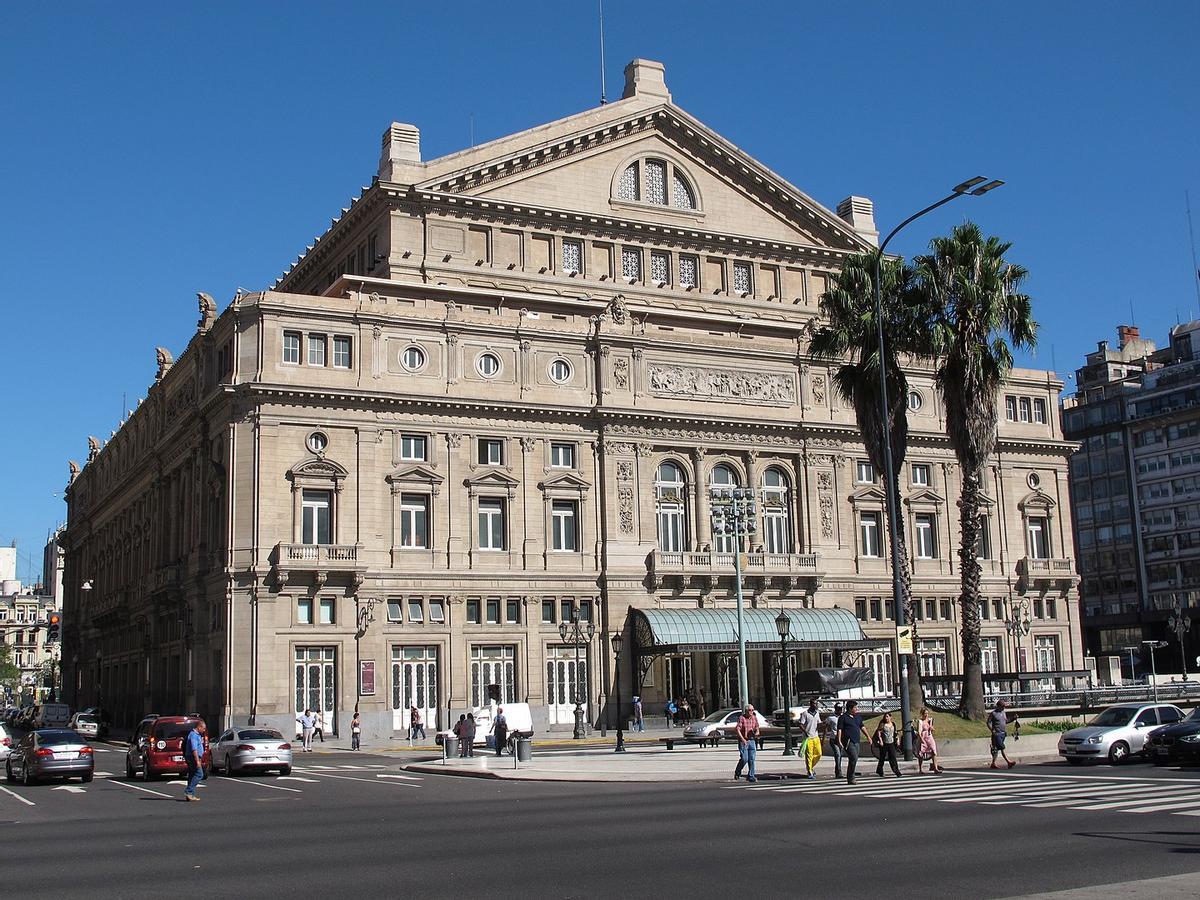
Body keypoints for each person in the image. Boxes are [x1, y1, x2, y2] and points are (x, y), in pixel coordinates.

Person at [836, 700, 866, 784]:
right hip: (848, 741)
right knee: (853, 757)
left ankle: (850, 775)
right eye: (855, 707)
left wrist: (868, 736)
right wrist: (839, 740)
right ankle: (851, 777)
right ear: (850, 708)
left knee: (855, 759)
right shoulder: (843, 718)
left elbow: (862, 727)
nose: (856, 709)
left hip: (857, 740)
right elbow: (840, 730)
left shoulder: (858, 717)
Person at [733, 704, 761, 783]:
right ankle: (737, 772)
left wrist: (757, 732)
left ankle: (751, 776)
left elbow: (757, 727)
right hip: (744, 741)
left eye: (752, 710)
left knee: (752, 759)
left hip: (752, 740)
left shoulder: (754, 718)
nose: (751, 712)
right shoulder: (742, 718)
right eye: (750, 710)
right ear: (746, 711)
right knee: (744, 758)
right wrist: (742, 739)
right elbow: (737, 729)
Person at [797, 698, 823, 779]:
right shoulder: (805, 713)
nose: (816, 705)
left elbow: (819, 723)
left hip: (816, 736)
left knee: (819, 753)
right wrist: (805, 732)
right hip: (808, 738)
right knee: (809, 755)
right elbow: (801, 724)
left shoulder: (817, 713)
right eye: (815, 704)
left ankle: (811, 767)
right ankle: (809, 771)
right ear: (811, 704)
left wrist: (823, 724)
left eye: (816, 704)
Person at [987, 699, 1016, 769]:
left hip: (1003, 733)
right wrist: (992, 729)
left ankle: (993, 763)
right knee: (1002, 747)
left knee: (996, 749)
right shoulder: (993, 713)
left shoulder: (1003, 713)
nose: (1003, 708)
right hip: (996, 734)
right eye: (1002, 706)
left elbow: (1006, 721)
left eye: (1004, 706)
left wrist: (1013, 719)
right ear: (998, 706)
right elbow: (988, 722)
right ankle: (1009, 762)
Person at [183, 721, 207, 802]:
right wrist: (197, 761)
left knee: (192, 775)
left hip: (193, 757)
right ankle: (188, 791)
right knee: (199, 774)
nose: (204, 730)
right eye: (203, 729)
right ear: (199, 727)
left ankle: (190, 795)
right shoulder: (193, 735)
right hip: (192, 757)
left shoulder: (197, 735)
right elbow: (194, 749)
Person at [873, 712, 902, 778]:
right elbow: (879, 732)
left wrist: (897, 740)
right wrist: (880, 740)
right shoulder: (883, 724)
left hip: (891, 743)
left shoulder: (893, 724)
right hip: (884, 743)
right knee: (882, 757)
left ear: (890, 717)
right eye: (885, 717)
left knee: (893, 757)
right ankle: (879, 770)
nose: (886, 718)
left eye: (887, 716)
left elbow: (895, 733)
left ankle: (896, 771)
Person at [917, 708, 944, 774]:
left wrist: (932, 728)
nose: (926, 715)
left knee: (933, 751)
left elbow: (931, 728)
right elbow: (919, 731)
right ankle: (920, 769)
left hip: (929, 737)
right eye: (924, 714)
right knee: (921, 753)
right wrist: (921, 739)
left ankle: (935, 768)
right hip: (923, 737)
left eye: (927, 713)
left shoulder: (930, 720)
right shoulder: (920, 721)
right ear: (922, 714)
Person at [825, 703, 844, 779]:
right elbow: (825, 726)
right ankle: (839, 772)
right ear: (835, 709)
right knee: (837, 754)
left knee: (840, 755)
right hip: (834, 739)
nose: (840, 710)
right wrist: (824, 737)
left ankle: (838, 770)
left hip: (842, 739)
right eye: (838, 709)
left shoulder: (843, 717)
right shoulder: (831, 718)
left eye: (841, 709)